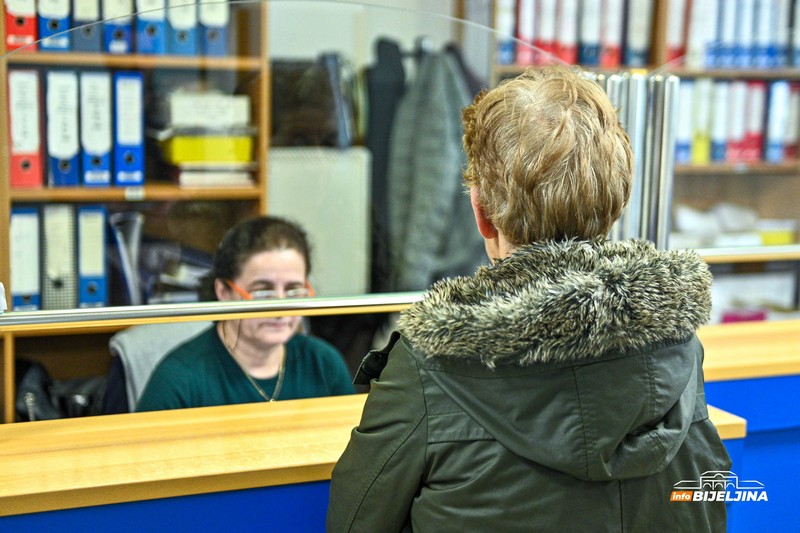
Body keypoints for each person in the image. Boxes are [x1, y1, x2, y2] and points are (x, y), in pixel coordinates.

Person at [327, 65, 730, 532]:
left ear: (481, 214)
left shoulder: (431, 364)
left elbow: (354, 522)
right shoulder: (676, 338)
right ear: (616, 199)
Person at [136, 216, 355, 411]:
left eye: (293, 290)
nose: (281, 308)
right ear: (223, 291)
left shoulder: (324, 364)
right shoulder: (178, 378)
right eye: (262, 291)